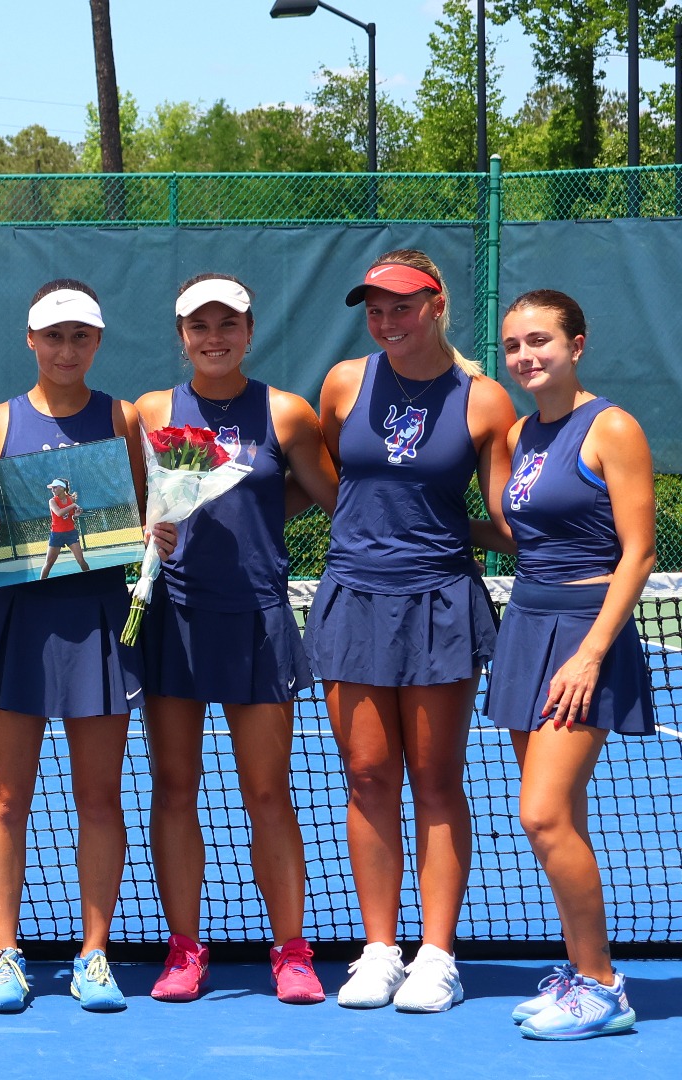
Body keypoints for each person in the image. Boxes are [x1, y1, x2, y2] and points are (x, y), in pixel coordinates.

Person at [310, 251, 516, 1012]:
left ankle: (436, 956)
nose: (387, 321)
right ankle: (379, 951)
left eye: (401, 306)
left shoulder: (484, 400)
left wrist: (442, 536)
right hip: (352, 598)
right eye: (375, 309)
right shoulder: (343, 383)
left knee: (434, 780)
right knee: (367, 777)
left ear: (436, 305)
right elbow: (327, 481)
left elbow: (507, 521)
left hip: (439, 603)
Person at [133, 273, 339, 1006]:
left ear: (250, 332)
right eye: (200, 326)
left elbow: (329, 492)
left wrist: (260, 514)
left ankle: (292, 951)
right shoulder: (151, 412)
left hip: (258, 618)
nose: (214, 338)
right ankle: (184, 950)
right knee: (174, 788)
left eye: (228, 324)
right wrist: (149, 531)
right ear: (181, 336)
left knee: (268, 791)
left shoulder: (286, 412)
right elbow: (131, 507)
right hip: (174, 617)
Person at [0, 281, 148, 1012]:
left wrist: (152, 532)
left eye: (81, 337)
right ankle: (5, 956)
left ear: (96, 342)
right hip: (20, 625)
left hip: (99, 623)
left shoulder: (123, 417)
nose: (67, 350)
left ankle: (94, 956)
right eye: (54, 336)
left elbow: (138, 510)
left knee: (99, 798)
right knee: (7, 797)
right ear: (31, 340)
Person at [488, 290, 652, 1040]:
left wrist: (590, 654)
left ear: (576, 345)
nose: (526, 356)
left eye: (540, 341)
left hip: (586, 634)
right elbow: (520, 536)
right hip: (526, 626)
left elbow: (638, 552)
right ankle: (580, 975)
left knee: (543, 813)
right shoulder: (520, 433)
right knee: (564, 820)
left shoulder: (612, 426)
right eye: (514, 345)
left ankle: (605, 988)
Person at [42, 478, 89, 576]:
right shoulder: (52, 501)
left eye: (55, 487)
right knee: (49, 563)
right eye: (52, 488)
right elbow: (59, 513)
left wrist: (75, 516)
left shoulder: (71, 499)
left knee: (81, 560)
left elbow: (71, 517)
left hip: (71, 533)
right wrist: (73, 505)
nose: (52, 490)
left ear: (62, 488)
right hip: (56, 534)